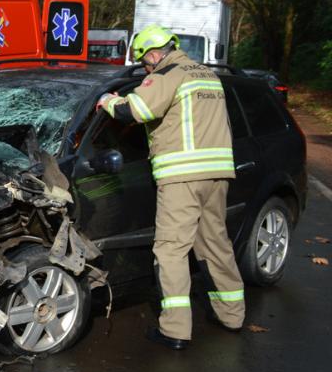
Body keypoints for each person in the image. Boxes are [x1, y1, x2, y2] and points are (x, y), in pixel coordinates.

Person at [96, 24, 244, 350]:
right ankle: (232, 315)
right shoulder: (206, 74)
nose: (147, 69)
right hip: (218, 173)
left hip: (182, 176)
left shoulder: (167, 74)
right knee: (215, 245)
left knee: (171, 250)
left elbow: (136, 110)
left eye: (145, 63)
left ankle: (175, 329)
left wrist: (108, 100)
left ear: (153, 54)